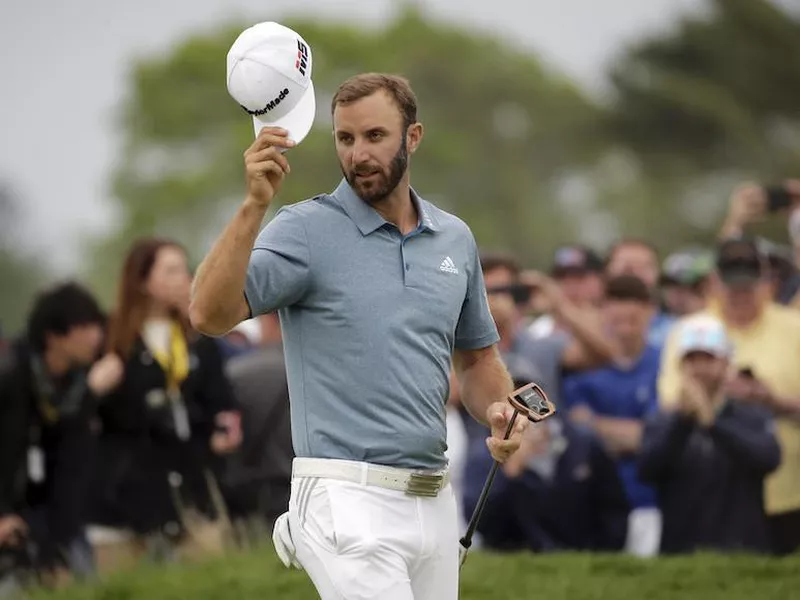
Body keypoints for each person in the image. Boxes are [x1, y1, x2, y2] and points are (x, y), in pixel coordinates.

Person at [189, 65, 527, 598]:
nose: (357, 154)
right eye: (345, 138)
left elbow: (479, 362)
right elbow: (208, 314)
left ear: (412, 138)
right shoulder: (304, 229)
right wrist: (255, 204)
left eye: (374, 136)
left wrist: (499, 411)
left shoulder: (454, 239)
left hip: (434, 497)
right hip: (343, 495)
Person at [87, 238, 242, 567]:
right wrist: (94, 388)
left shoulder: (199, 337)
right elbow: (85, 414)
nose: (183, 278)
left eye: (184, 269)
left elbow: (221, 401)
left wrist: (224, 428)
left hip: (192, 482)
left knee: (214, 574)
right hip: (127, 491)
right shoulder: (110, 338)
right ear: (142, 281)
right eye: (170, 270)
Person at [658, 236, 800, 555]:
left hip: (792, 488)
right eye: (733, 286)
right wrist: (717, 395)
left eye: (748, 286)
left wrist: (769, 399)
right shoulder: (689, 330)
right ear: (714, 282)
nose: (740, 294)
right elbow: (670, 403)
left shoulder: (795, 327)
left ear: (766, 279)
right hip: (719, 496)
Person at [639, 315, 780, 554]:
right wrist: (683, 422)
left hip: (742, 550)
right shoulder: (663, 420)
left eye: (708, 359)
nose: (700, 368)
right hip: (682, 551)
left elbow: (768, 459)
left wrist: (714, 425)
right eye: (692, 360)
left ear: (726, 363)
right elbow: (648, 470)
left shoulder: (751, 415)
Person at [0, 282, 106, 585]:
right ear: (54, 336)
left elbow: (72, 459)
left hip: (58, 518)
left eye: (97, 326)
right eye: (84, 327)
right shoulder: (11, 375)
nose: (95, 336)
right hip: (11, 517)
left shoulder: (78, 386)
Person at [562, 275, 662, 557]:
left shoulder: (664, 363)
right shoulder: (582, 367)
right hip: (593, 505)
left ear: (650, 311)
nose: (624, 322)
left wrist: (595, 424)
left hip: (650, 502)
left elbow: (652, 437)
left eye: (633, 312)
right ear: (602, 311)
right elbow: (575, 430)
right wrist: (629, 433)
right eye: (616, 308)